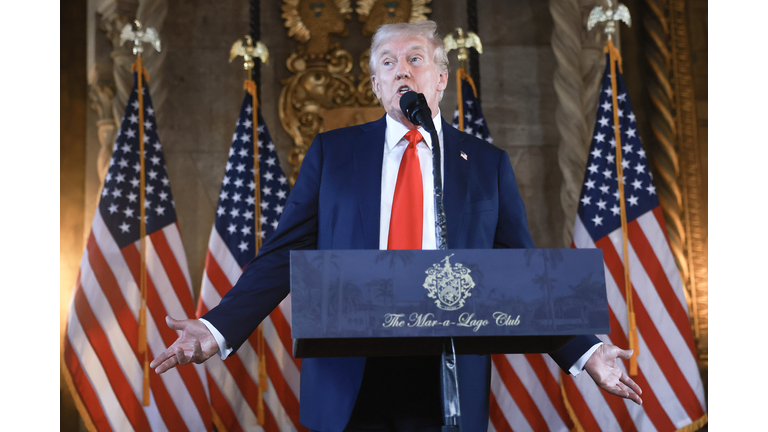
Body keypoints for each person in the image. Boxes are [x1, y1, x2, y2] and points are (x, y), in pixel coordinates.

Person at [151, 20, 642, 432]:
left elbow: (521, 275)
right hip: (350, 371)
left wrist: (586, 352)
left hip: (448, 369)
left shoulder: (486, 165)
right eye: (388, 63)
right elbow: (283, 254)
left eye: (415, 59)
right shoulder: (333, 154)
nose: (401, 70)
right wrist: (216, 328)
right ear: (376, 85)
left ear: (441, 78)